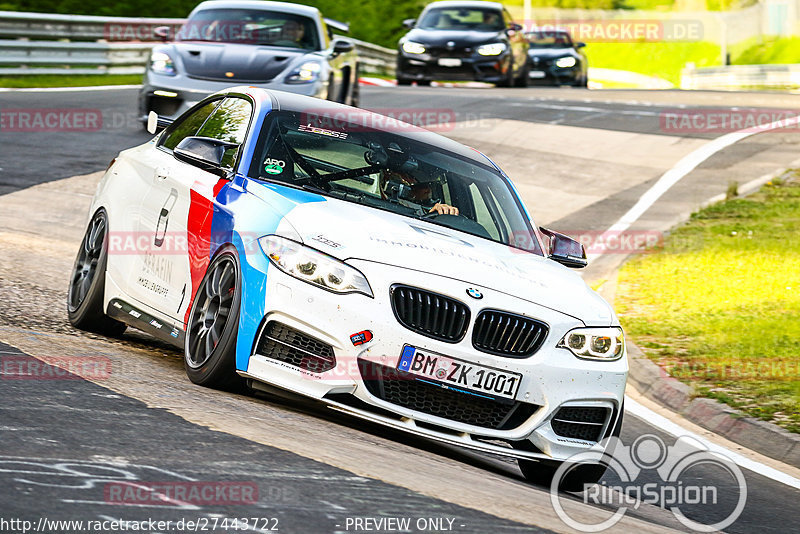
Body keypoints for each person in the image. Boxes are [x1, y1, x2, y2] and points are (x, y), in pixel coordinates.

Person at [379, 169, 459, 216]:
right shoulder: (377, 208)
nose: (428, 190)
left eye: (431, 186)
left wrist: (442, 211)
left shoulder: (430, 209)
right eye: (421, 186)